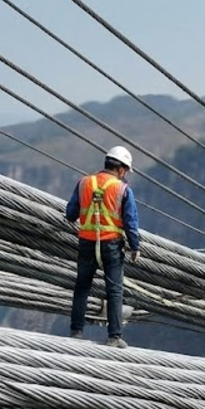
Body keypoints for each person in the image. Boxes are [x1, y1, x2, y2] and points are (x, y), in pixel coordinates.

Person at [66, 145, 140, 348]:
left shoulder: (84, 183)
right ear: (122, 169)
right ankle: (114, 337)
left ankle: (76, 331)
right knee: (114, 290)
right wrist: (135, 247)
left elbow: (70, 213)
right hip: (112, 245)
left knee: (82, 287)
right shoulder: (123, 189)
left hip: (87, 243)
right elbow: (130, 222)